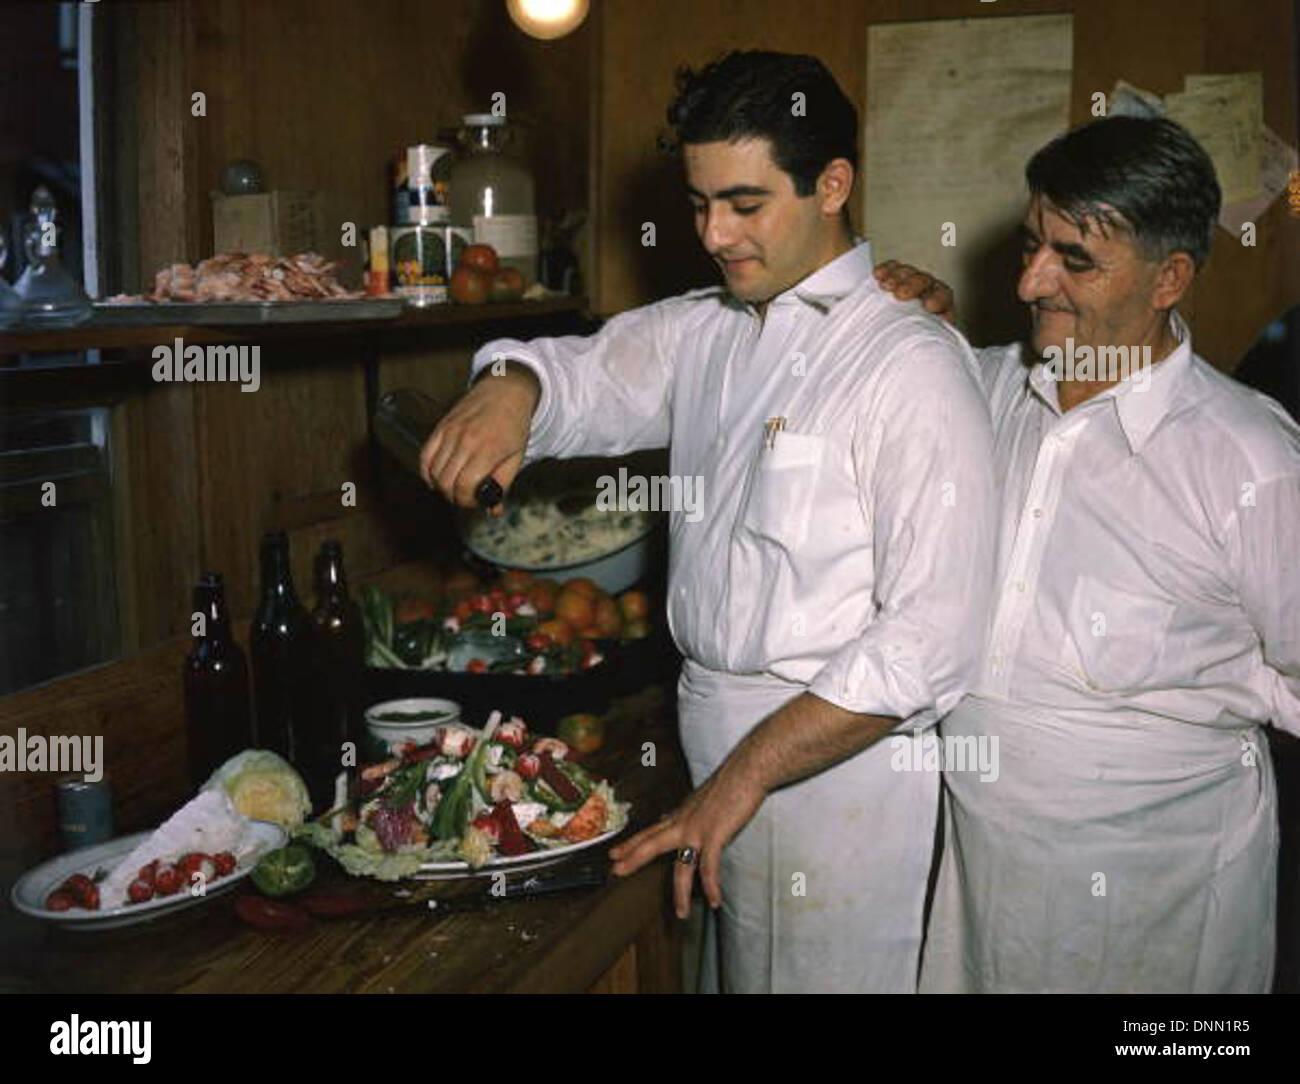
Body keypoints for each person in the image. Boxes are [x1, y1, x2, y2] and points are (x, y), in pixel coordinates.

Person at [421, 50, 997, 993]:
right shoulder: (712, 329)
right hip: (715, 740)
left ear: (832, 186)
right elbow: (590, 373)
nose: (714, 235)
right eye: (697, 205)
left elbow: (931, 641)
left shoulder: (909, 364)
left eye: (744, 203)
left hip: (839, 772)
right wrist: (513, 385)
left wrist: (746, 773)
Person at [876, 116, 1300, 993]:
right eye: (1032, 246)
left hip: (1160, 901)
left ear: (1169, 278)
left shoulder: (1248, 459)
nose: (1032, 280)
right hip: (984, 877)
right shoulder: (981, 391)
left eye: (1075, 260)